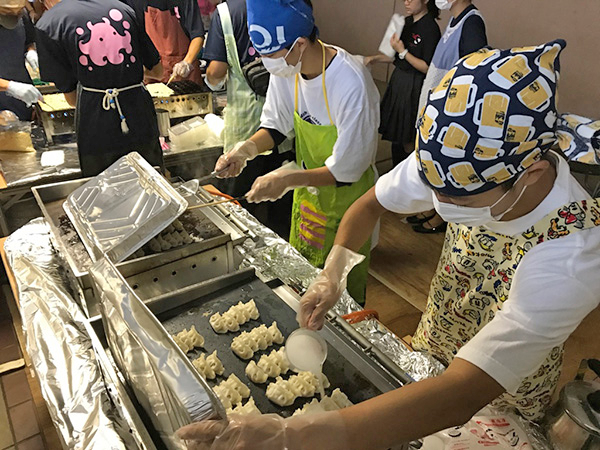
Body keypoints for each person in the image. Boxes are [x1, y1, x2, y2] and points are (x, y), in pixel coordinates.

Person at [177, 40, 600, 448]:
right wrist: (332, 275)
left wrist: (291, 435)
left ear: (531, 174)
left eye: (457, 198)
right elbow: (368, 205)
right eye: (436, 190)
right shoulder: (453, 156)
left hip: (501, 393)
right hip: (434, 341)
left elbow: (461, 393)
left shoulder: (575, 252)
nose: (440, 203)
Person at [213, 0, 380, 304]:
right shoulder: (287, 70)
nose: (267, 63)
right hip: (309, 199)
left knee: (340, 294)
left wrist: (287, 180)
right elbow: (276, 127)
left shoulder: (351, 84)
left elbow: (346, 171)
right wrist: (245, 150)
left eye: (271, 55)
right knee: (302, 279)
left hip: (349, 204)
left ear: (300, 44)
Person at [35, 0, 165, 176]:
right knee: (150, 178)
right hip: (139, 114)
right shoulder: (124, 9)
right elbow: (158, 71)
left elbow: (71, 99)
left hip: (95, 120)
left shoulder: (49, 23)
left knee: (104, 187)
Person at [203, 0, 293, 238]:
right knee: (282, 203)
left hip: (245, 126)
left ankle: (246, 260)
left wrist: (212, 82)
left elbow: (216, 72)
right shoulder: (286, 5)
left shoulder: (225, 13)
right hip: (287, 128)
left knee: (240, 208)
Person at [411, 0, 487, 233]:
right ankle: (432, 208)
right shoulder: (454, 20)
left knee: (445, 166)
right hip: (436, 102)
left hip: (451, 109)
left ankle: (442, 217)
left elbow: (473, 70)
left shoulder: (472, 22)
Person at [366, 0, 441, 167]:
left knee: (408, 137)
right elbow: (394, 55)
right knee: (396, 135)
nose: (406, 3)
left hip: (414, 85)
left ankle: (407, 174)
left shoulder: (430, 28)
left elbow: (427, 67)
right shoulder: (406, 22)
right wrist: (373, 59)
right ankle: (394, 170)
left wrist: (403, 51)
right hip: (398, 80)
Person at [0, 0, 42, 120]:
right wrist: (10, 86)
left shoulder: (19, 12)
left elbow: (29, 40)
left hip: (20, 95)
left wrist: (31, 51)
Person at [144, 0, 205, 84]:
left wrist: (186, 63)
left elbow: (198, 36)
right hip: (153, 74)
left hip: (185, 75)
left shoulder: (186, 2)